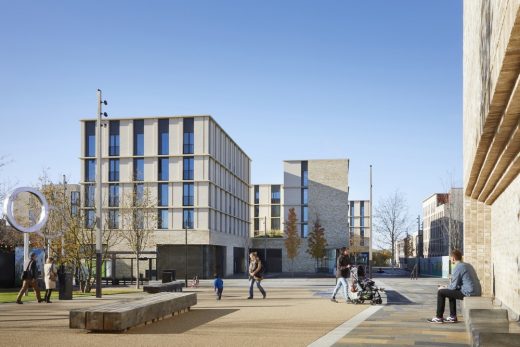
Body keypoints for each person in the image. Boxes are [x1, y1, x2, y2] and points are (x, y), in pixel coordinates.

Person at [427, 249, 481, 323]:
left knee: (441, 292)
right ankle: (453, 316)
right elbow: (456, 285)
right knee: (450, 292)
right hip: (476, 291)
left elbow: (453, 286)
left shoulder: (458, 267)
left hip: (469, 293)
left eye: (451, 258)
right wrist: (446, 287)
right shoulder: (467, 265)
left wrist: (442, 287)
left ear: (453, 258)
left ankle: (439, 317)